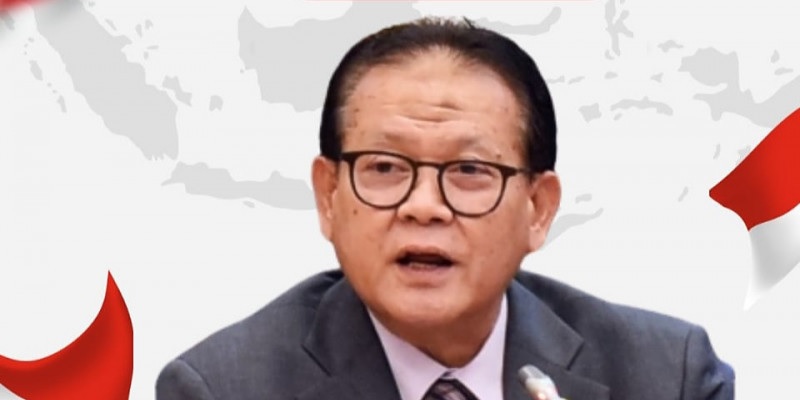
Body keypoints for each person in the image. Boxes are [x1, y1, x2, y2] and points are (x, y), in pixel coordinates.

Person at [156, 17, 734, 400]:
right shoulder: (223, 389)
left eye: (469, 171)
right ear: (329, 196)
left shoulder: (666, 377)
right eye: (385, 167)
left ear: (538, 209)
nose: (424, 207)